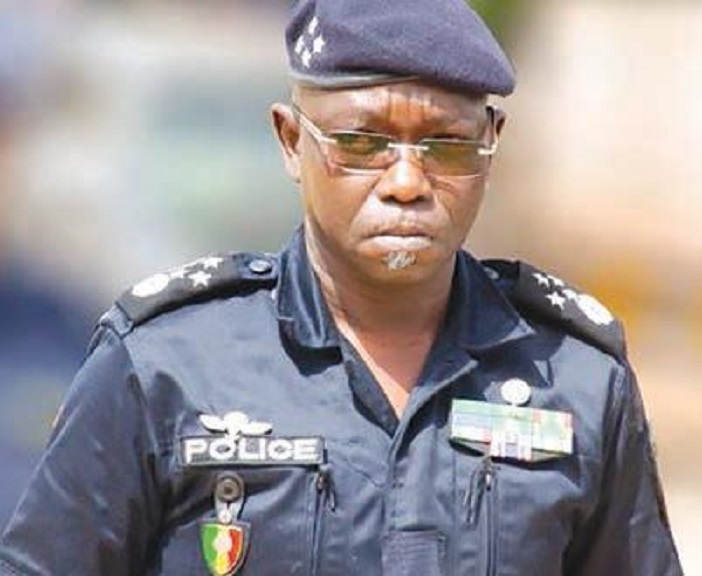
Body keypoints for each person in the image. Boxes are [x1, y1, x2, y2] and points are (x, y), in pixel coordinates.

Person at [0, 0, 682, 574]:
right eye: (362, 143)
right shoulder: (163, 365)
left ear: (491, 143)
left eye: (446, 145)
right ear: (290, 141)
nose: (407, 183)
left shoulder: (574, 379)